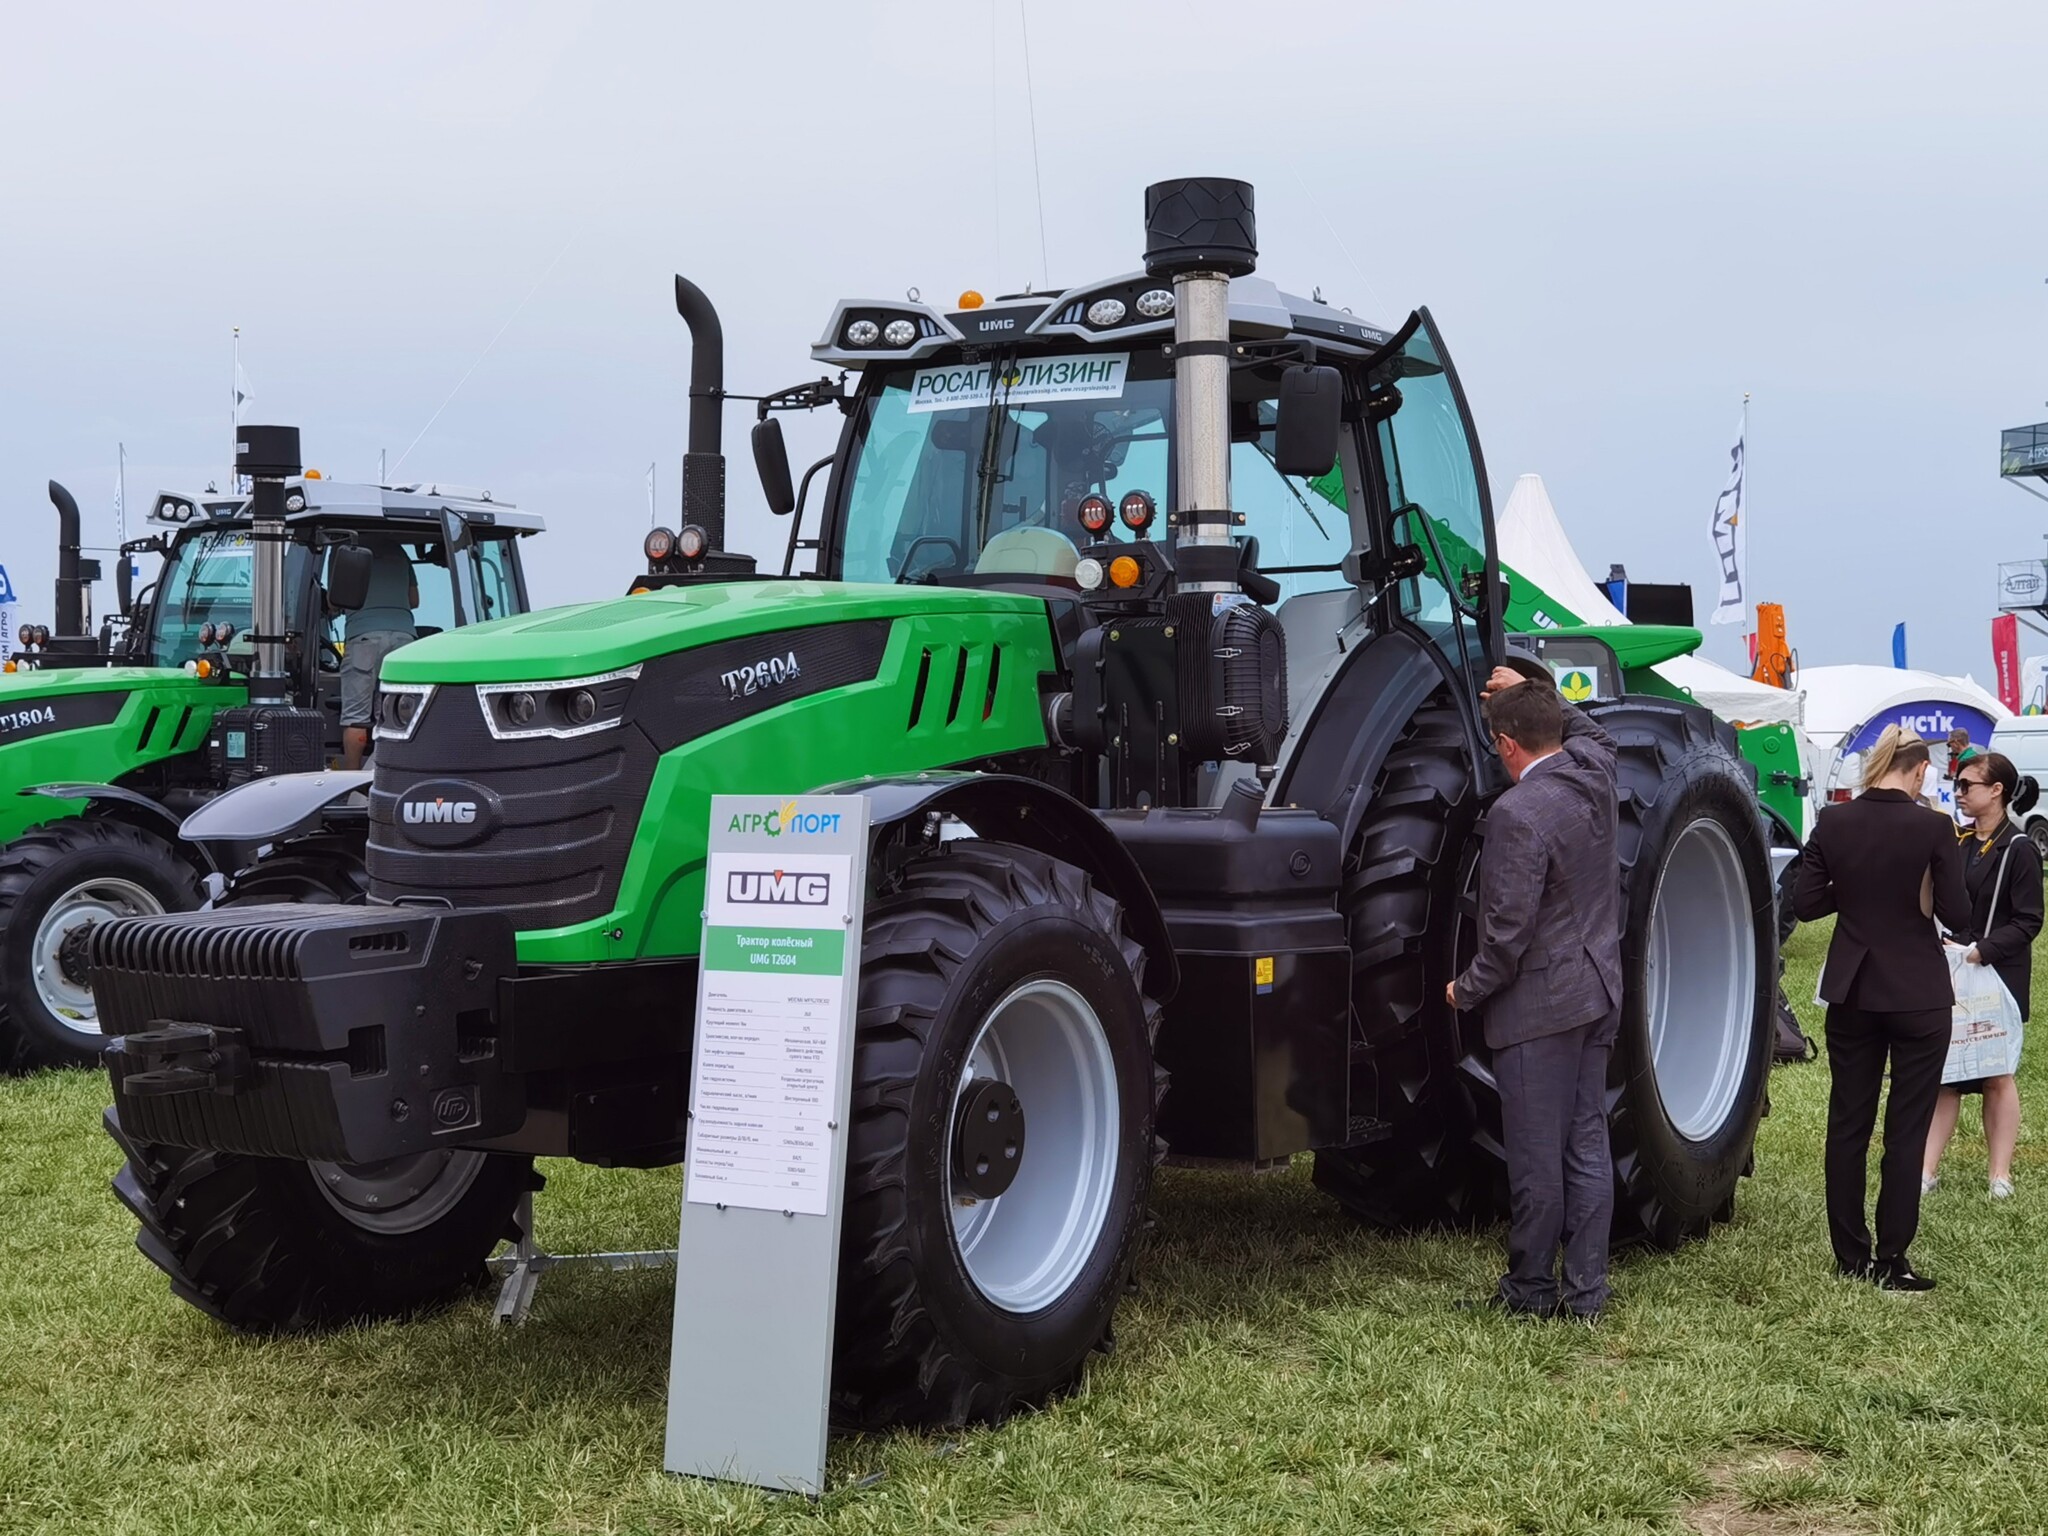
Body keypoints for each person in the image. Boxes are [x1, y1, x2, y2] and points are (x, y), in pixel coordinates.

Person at [1448, 662, 1622, 1321]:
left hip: (1541, 1006)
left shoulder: (1516, 813)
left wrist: (1465, 990)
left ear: (1505, 745)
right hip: (1598, 990)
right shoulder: (1595, 772)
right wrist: (1532, 688)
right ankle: (1586, 1294)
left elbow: (1507, 935)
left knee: (1535, 1160)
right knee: (1586, 1142)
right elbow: (1594, 734)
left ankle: (1528, 1293)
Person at [1794, 725, 1971, 1291]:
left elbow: (1803, 900)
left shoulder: (1835, 821)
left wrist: (1851, 890)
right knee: (1906, 1128)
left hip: (1853, 988)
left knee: (1848, 1124)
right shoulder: (1933, 826)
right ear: (1919, 771)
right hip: (1917, 991)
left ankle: (1850, 1256)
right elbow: (1959, 913)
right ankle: (1893, 1260)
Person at [1923, 750, 2042, 1199]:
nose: (1959, 792)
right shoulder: (1957, 842)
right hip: (1953, 969)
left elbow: (2030, 919)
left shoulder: (2020, 848)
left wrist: (1982, 952)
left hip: (1997, 973)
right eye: (1957, 784)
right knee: (1946, 1074)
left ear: (1997, 791)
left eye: (1967, 785)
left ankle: (1999, 1175)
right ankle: (1926, 1171)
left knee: (1997, 1074)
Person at [335, 539, 418, 770]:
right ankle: (393, 772)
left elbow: (336, 598)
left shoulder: (346, 550)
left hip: (364, 636)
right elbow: (414, 601)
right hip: (405, 638)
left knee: (356, 717)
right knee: (396, 713)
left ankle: (351, 782)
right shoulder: (399, 550)